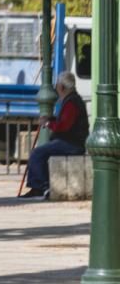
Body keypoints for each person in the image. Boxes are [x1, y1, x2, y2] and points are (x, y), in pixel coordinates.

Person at [19, 71, 89, 200]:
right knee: (41, 153)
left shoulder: (71, 102)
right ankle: (40, 187)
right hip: (72, 141)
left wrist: (47, 123)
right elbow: (65, 121)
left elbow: (64, 126)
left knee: (37, 153)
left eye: (57, 86)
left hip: (71, 143)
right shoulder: (72, 100)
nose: (56, 88)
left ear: (62, 87)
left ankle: (41, 187)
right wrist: (51, 119)